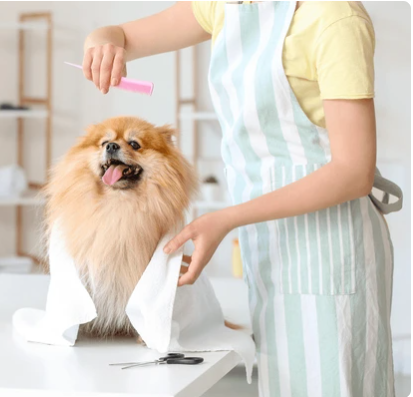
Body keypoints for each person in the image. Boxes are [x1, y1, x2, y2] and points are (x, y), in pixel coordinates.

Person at [82, 2, 403, 397]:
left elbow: (353, 172)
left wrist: (228, 218)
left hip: (329, 248)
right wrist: (102, 40)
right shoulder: (227, 6)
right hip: (270, 244)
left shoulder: (335, 18)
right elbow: (121, 35)